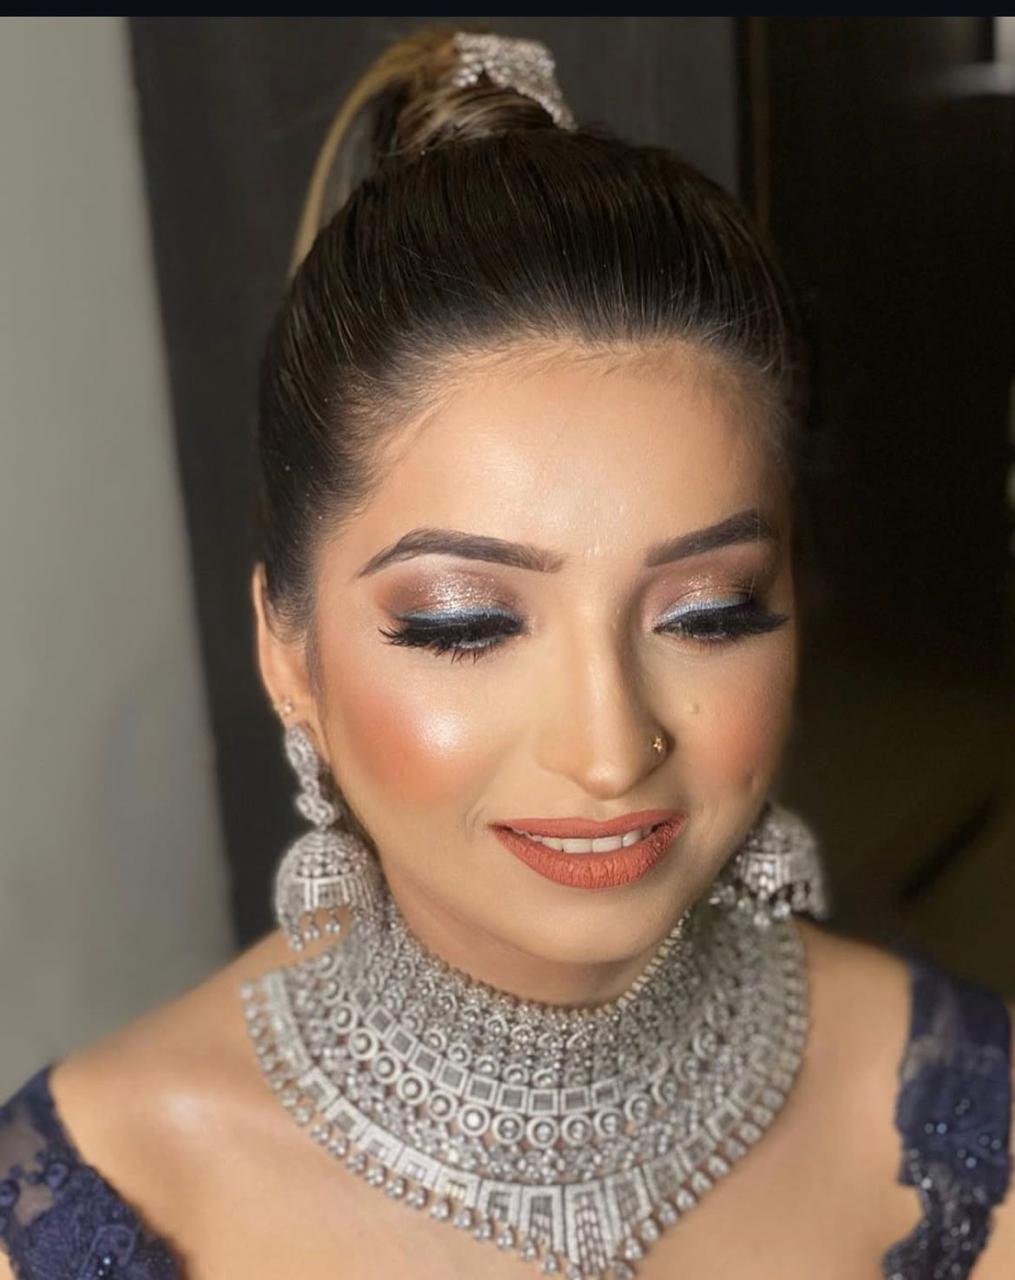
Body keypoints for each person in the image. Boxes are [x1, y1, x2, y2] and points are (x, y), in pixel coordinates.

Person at [0, 23, 1011, 1280]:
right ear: (288, 654)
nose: (609, 748)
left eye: (706, 611)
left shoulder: (963, 1120)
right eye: (464, 624)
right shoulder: (83, 1207)